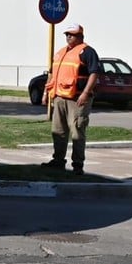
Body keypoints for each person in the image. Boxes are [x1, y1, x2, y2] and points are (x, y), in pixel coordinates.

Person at [40, 23, 101, 176]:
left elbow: (94, 74)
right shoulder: (61, 52)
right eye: (67, 34)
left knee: (77, 132)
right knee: (58, 131)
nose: (68, 37)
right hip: (60, 97)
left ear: (80, 36)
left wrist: (85, 93)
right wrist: (46, 94)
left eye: (71, 34)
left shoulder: (87, 52)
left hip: (77, 99)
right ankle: (58, 161)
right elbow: (52, 75)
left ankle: (78, 165)